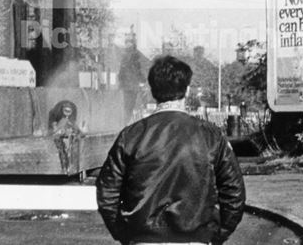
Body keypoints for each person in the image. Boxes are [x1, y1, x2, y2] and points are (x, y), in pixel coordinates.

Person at [96, 55, 245, 245]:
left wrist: (125, 234)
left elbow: (107, 192)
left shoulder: (131, 136)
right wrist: (216, 234)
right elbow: (234, 193)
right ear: (187, 90)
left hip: (143, 238)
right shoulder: (211, 136)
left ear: (152, 90)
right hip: (195, 238)